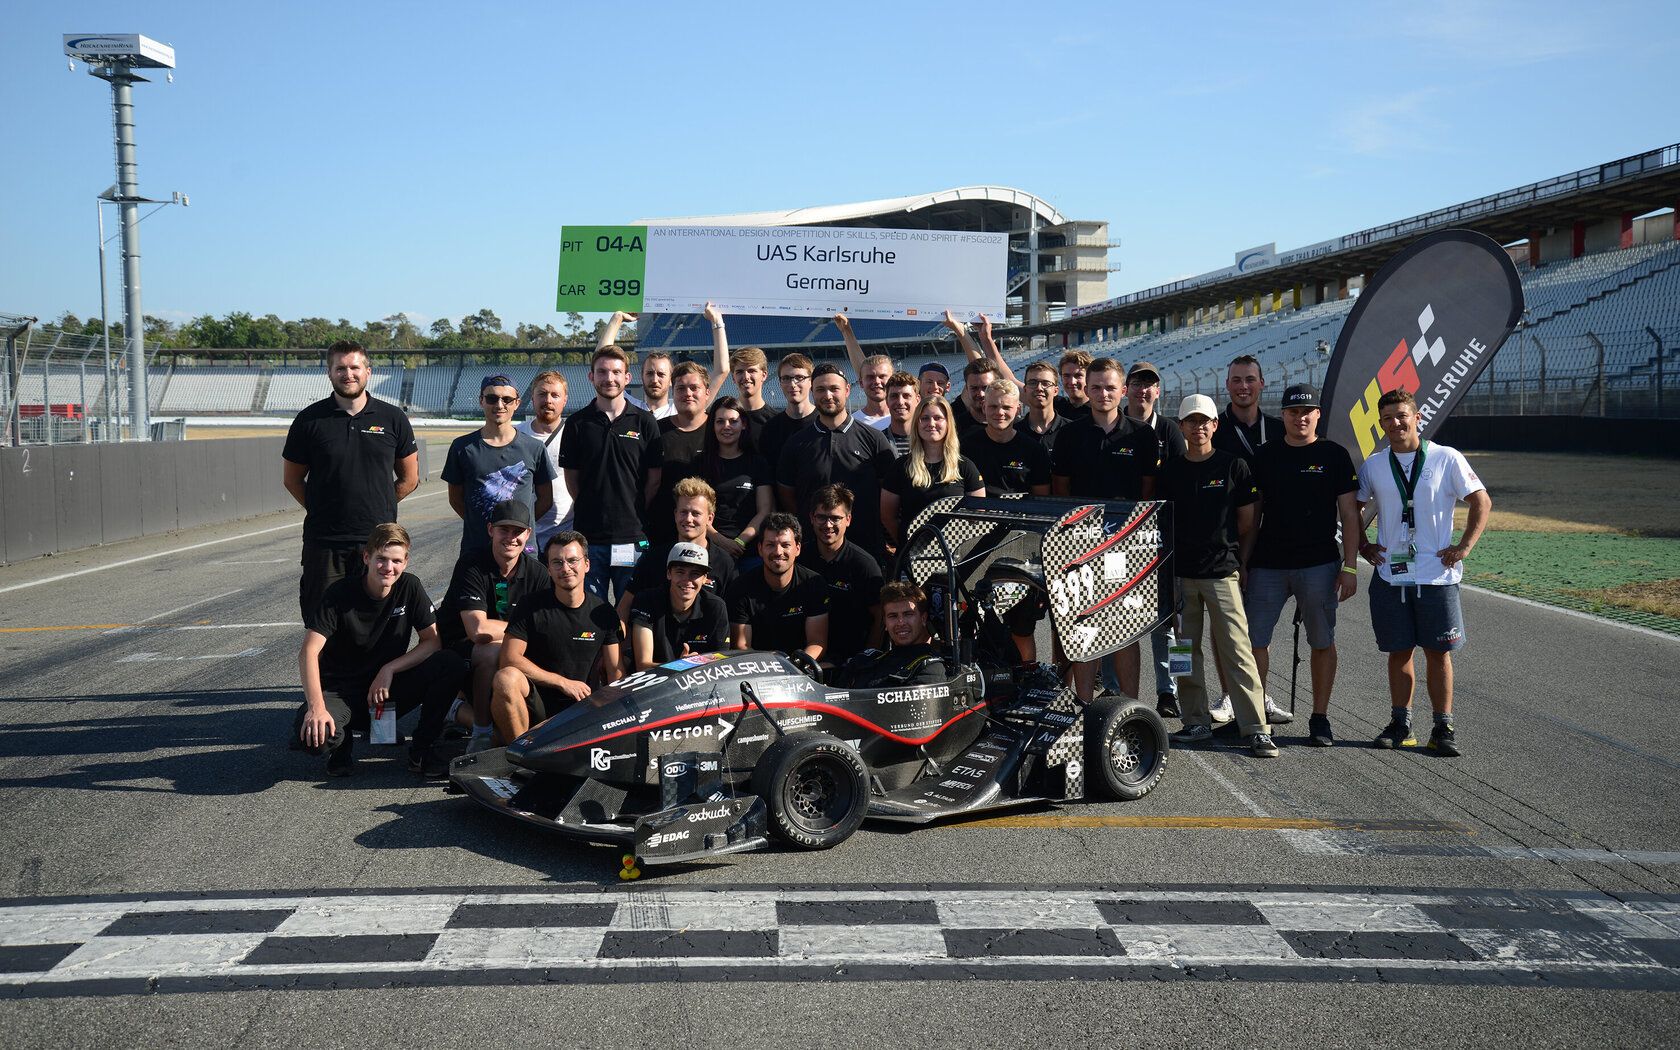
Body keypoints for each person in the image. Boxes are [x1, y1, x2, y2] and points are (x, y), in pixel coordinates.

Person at [1356, 388, 1490, 757]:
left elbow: (1481, 500)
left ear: (1418, 418)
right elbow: (1352, 507)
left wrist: (1463, 548)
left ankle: (1443, 727)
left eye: (1402, 415)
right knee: (1398, 652)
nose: (1395, 423)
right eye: (1387, 418)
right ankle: (1402, 724)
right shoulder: (1375, 464)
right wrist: (1363, 545)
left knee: (1437, 653)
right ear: (1381, 424)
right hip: (1390, 575)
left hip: (1438, 576)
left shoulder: (1446, 458)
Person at [293, 523, 466, 778]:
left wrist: (390, 668)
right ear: (367, 558)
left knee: (449, 663)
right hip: (342, 691)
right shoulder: (339, 594)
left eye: (396, 560)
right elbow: (308, 652)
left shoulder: (409, 587)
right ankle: (341, 745)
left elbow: (433, 642)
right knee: (315, 738)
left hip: (384, 692)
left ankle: (422, 749)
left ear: (405, 562)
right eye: (381, 559)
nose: (388, 567)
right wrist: (316, 707)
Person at [1158, 395, 1277, 758]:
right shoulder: (1170, 470)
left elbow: (1247, 524)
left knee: (1238, 652)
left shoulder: (1233, 467)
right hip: (1180, 577)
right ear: (1181, 427)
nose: (1198, 427)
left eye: (1204, 421)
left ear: (1215, 425)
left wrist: (1240, 562)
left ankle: (1256, 727)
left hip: (1222, 574)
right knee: (1182, 653)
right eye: (1191, 421)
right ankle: (1195, 720)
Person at [1243, 384, 1360, 747]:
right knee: (1253, 642)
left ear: (1319, 415)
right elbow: (1252, 516)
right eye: (1293, 412)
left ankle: (1320, 718)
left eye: (1308, 411)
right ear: (1284, 416)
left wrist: (1351, 566)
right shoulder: (1265, 456)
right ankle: (1257, 716)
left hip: (1320, 565)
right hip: (1267, 565)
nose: (1301, 418)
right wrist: (1243, 564)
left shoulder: (1335, 454)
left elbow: (1350, 516)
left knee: (1322, 641)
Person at [282, 339, 419, 618]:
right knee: (321, 621)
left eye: (355, 367)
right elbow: (292, 479)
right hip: (324, 542)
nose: (348, 374)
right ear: (329, 373)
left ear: (368, 372)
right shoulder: (308, 420)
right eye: (340, 368)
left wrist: (376, 505)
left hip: (377, 541)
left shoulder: (393, 418)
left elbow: (410, 478)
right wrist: (323, 508)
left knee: (372, 623)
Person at [1051, 357, 1158, 700]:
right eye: (1095, 387)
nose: (1102, 393)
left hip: (1126, 549)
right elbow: (1062, 492)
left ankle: (1130, 707)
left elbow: (1147, 493)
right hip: (1081, 548)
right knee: (1084, 627)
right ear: (1086, 388)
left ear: (1123, 391)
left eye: (1110, 387)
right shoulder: (1069, 435)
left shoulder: (1143, 436)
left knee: (1125, 629)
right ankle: (1083, 706)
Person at [437, 500, 552, 755]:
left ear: (528, 534)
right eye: (504, 530)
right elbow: (478, 630)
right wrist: (524, 628)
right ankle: (480, 731)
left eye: (517, 531)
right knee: (492, 649)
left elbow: (548, 628)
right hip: (459, 652)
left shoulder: (538, 573)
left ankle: (457, 711)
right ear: (490, 530)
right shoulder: (472, 564)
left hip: (508, 648)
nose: (511, 538)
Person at [491, 531, 623, 744]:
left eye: (572, 561)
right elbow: (509, 660)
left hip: (581, 709)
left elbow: (616, 674)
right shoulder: (530, 605)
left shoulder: (604, 612)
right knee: (505, 679)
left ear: (587, 565)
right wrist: (562, 682)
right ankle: (522, 758)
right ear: (549, 569)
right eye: (557, 563)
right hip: (535, 708)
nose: (565, 569)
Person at [559, 347, 662, 603]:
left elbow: (654, 480)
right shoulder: (576, 424)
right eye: (602, 372)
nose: (609, 378)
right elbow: (572, 479)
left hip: (632, 538)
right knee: (591, 611)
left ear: (627, 377)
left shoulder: (644, 422)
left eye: (616, 372)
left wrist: (633, 508)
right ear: (591, 377)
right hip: (589, 539)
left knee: (632, 609)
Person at [964, 378, 1052, 662]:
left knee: (1022, 630)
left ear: (1017, 408)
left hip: (1020, 553)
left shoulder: (1032, 449)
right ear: (983, 407)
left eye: (1005, 407)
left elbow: (1041, 504)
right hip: (975, 551)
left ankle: (1028, 682)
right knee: (974, 627)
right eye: (992, 406)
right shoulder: (966, 446)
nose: (999, 412)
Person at [777, 363, 896, 561]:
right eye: (821, 389)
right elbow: (788, 496)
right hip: (811, 551)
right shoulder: (796, 443)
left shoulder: (873, 439)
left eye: (834, 389)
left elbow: (888, 495)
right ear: (812, 393)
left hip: (866, 547)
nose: (828, 395)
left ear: (847, 390)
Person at [1124, 359, 1188, 719]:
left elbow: (1180, 482)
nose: (1143, 390)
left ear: (1157, 391)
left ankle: (1172, 690)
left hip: (1165, 544)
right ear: (1126, 390)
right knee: (1124, 623)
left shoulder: (1168, 429)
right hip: (1124, 544)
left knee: (1172, 627)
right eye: (1136, 384)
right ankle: (1117, 690)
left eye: (1149, 384)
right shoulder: (1114, 427)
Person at [442, 374, 556, 557]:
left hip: (523, 552)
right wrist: (480, 523)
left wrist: (519, 524)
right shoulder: (462, 447)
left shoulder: (534, 448)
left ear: (517, 403)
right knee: (486, 587)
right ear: (481, 400)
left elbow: (545, 499)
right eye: (492, 398)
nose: (499, 405)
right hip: (477, 550)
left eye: (507, 399)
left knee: (516, 587)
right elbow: (455, 499)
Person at [618, 476, 739, 625]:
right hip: (654, 644)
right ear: (675, 514)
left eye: (696, 513)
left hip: (707, 647)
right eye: (683, 512)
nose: (688, 519)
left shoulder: (725, 564)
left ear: (710, 518)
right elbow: (625, 606)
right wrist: (620, 645)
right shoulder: (654, 558)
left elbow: (733, 619)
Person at [880, 396, 985, 553]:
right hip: (913, 557)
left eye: (938, 418)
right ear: (917, 423)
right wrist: (910, 544)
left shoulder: (965, 466)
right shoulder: (901, 467)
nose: (931, 424)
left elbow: (978, 515)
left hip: (954, 557)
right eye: (925, 418)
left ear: (948, 423)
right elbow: (888, 517)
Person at [799, 483, 884, 669]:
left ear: (848, 519)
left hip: (851, 660)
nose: (828, 525)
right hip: (804, 656)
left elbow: (880, 617)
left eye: (835, 518)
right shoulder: (800, 558)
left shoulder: (865, 565)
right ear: (811, 518)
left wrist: (867, 660)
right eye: (821, 517)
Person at [727, 513, 829, 660]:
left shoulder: (814, 584)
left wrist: (795, 666)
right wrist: (777, 663)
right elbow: (742, 647)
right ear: (760, 549)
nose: (778, 552)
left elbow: (817, 642)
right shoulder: (740, 588)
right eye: (770, 545)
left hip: (801, 669)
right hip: (758, 671)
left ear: (798, 548)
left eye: (785, 545)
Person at [628, 542, 731, 670]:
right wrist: (681, 666)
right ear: (668, 574)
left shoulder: (716, 607)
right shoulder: (646, 600)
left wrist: (687, 666)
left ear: (705, 578)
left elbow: (720, 666)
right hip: (653, 686)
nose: (687, 581)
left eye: (695, 574)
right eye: (680, 572)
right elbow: (643, 665)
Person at [644, 360, 714, 548]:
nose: (688, 394)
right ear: (673, 393)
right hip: (662, 534)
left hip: (712, 537)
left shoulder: (719, 431)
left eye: (694, 388)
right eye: (681, 388)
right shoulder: (655, 431)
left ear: (707, 393)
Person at [696, 396, 773, 559]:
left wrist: (739, 542)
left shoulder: (758, 463)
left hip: (748, 552)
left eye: (733, 421)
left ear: (743, 424)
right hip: (709, 550)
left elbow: (765, 510)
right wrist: (718, 539)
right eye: (720, 421)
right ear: (712, 426)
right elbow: (693, 510)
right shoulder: (700, 463)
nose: (726, 427)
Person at [832, 582, 947, 688]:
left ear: (923, 619)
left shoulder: (930, 667)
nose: (900, 622)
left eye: (908, 614)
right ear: (885, 622)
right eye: (893, 616)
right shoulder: (864, 659)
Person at [514, 369, 574, 553]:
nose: (548, 400)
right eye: (542, 394)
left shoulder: (575, 435)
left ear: (564, 400)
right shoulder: (515, 435)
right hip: (523, 532)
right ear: (532, 398)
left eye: (555, 395)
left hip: (566, 532)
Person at [1213, 354, 1283, 474]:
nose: (1243, 386)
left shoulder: (1281, 429)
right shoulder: (1213, 431)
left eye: (1250, 380)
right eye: (1236, 380)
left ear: (1262, 383)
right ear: (1227, 384)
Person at [758, 353, 817, 480]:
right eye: (786, 378)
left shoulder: (824, 422)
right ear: (780, 383)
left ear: (811, 381)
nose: (792, 384)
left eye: (799, 377)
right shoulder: (770, 429)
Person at [834, 314, 893, 429]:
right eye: (870, 377)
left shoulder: (910, 418)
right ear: (861, 382)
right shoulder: (851, 425)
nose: (876, 381)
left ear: (893, 380)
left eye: (882, 376)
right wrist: (846, 331)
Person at [1015, 361, 1072, 454]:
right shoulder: (1013, 433)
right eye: (1033, 383)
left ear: (1056, 390)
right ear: (1025, 389)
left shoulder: (1073, 432)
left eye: (1046, 383)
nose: (1039, 388)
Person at [728, 345, 779, 444]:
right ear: (733, 378)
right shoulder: (725, 421)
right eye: (739, 372)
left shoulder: (777, 422)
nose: (746, 377)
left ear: (764, 375)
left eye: (751, 371)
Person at [883, 369, 919, 457]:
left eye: (906, 396)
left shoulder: (928, 441)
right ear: (886, 401)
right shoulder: (877, 442)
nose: (900, 402)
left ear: (917, 400)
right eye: (894, 396)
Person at [1058, 350, 1093, 418]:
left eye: (1078, 375)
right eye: (1066, 376)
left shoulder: (1099, 413)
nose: (1072, 382)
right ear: (1061, 379)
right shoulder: (1055, 410)